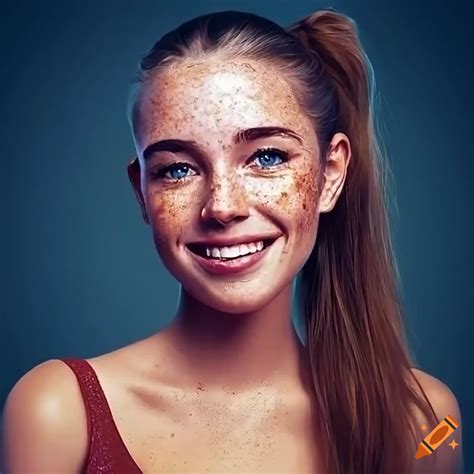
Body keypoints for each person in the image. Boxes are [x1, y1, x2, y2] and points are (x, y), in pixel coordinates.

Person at [2, 8, 463, 474]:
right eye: (177, 169)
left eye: (266, 157)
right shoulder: (58, 412)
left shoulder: (425, 424)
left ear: (330, 175)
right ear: (141, 191)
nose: (222, 206)